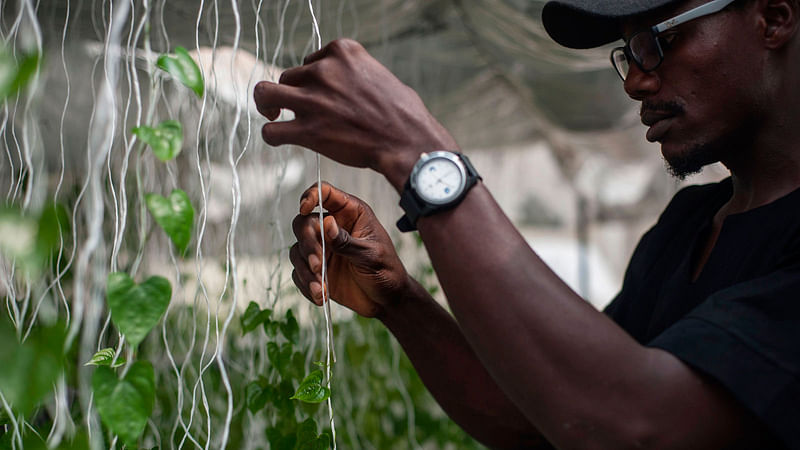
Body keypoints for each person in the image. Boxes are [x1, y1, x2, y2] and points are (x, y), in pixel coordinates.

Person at [253, 0, 800, 447]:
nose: (635, 82)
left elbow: (638, 427)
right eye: (627, 53)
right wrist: (401, 301)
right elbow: (548, 413)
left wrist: (422, 158)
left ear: (773, 18)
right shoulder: (688, 226)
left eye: (657, 41)